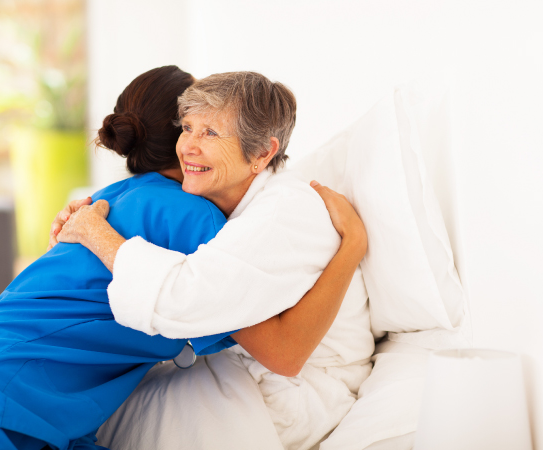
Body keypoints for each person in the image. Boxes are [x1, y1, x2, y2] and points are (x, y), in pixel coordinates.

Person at [53, 71, 374, 450]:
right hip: (255, 366)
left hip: (299, 394)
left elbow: (183, 299)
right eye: (187, 128)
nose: (187, 146)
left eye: (210, 133)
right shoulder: (221, 201)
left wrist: (95, 233)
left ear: (262, 153)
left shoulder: (281, 214)